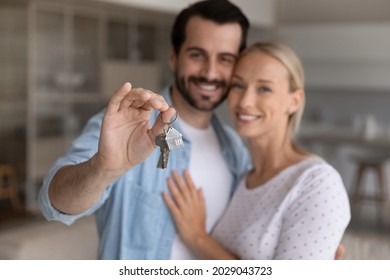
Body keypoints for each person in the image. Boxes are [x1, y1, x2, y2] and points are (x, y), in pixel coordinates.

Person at [38, 0, 251, 260]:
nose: (210, 72)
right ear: (174, 57)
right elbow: (54, 202)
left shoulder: (236, 150)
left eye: (225, 59)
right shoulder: (125, 127)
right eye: (197, 55)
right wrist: (103, 169)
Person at [163, 42, 351, 260]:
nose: (245, 101)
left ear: (294, 101)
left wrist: (198, 238)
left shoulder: (317, 184)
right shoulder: (243, 178)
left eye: (264, 89)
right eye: (238, 85)